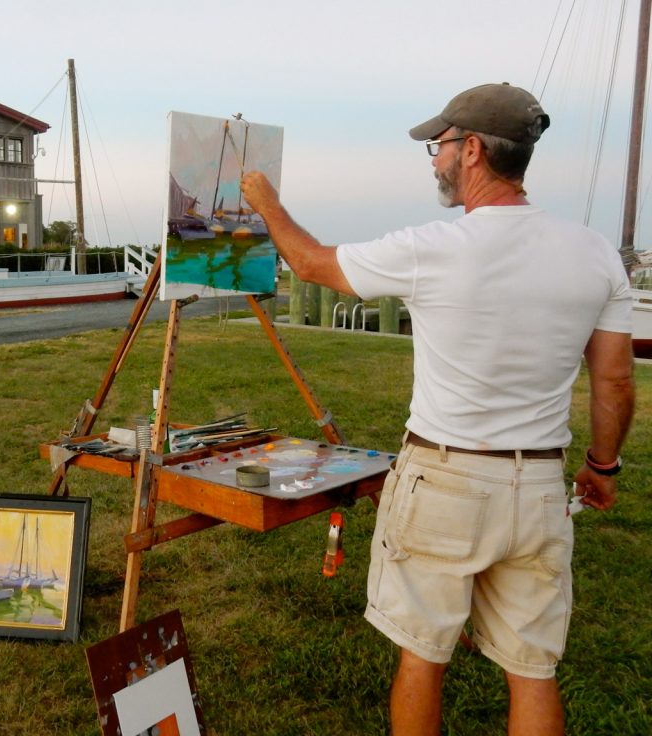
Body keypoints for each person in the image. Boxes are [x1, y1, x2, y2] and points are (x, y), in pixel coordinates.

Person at [240, 83, 635, 736]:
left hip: (445, 480)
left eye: (439, 145)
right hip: (538, 483)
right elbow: (615, 382)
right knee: (532, 670)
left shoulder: (434, 247)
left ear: (473, 150)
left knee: (423, 657)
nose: (433, 160)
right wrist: (604, 465)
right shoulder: (593, 252)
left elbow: (309, 264)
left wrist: (265, 202)